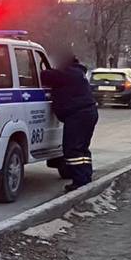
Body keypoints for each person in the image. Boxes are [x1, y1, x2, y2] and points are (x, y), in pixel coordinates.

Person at [41, 54, 98, 191]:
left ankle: (79, 181)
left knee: (72, 149)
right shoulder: (77, 73)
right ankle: (84, 177)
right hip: (86, 113)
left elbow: (45, 76)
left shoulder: (69, 72)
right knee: (81, 149)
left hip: (78, 115)